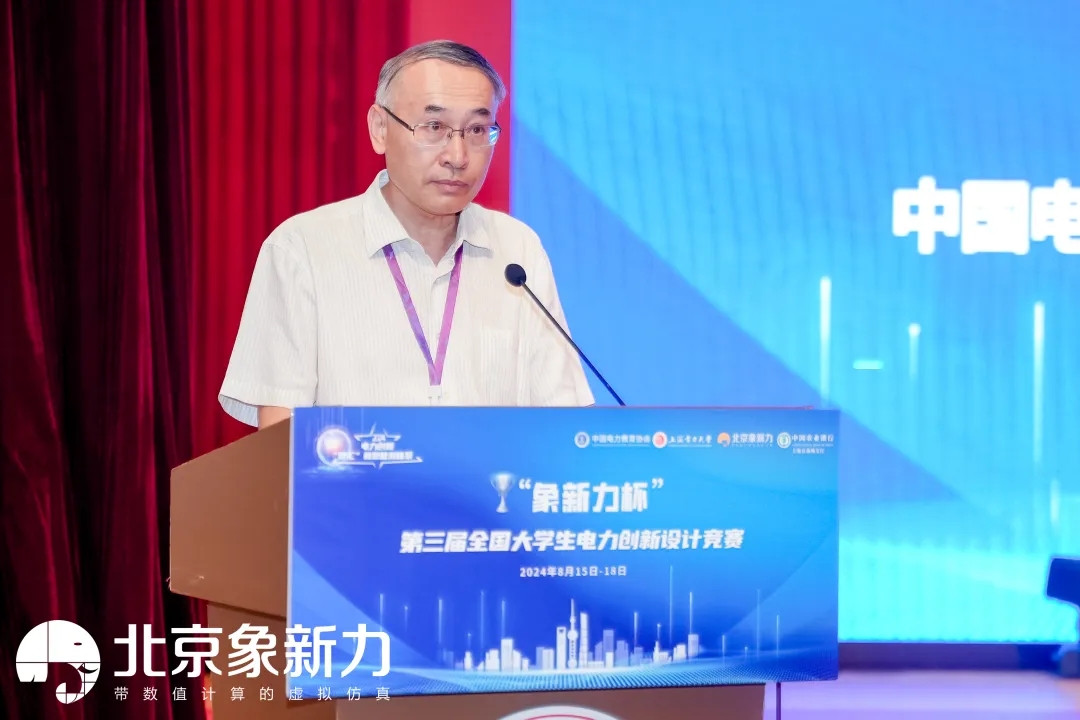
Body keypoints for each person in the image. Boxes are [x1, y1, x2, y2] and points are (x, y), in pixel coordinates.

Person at [218, 40, 595, 428]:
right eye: (434, 127)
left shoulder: (517, 250)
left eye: (477, 129)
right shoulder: (302, 250)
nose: (458, 156)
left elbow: (566, 425)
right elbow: (281, 439)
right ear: (380, 129)